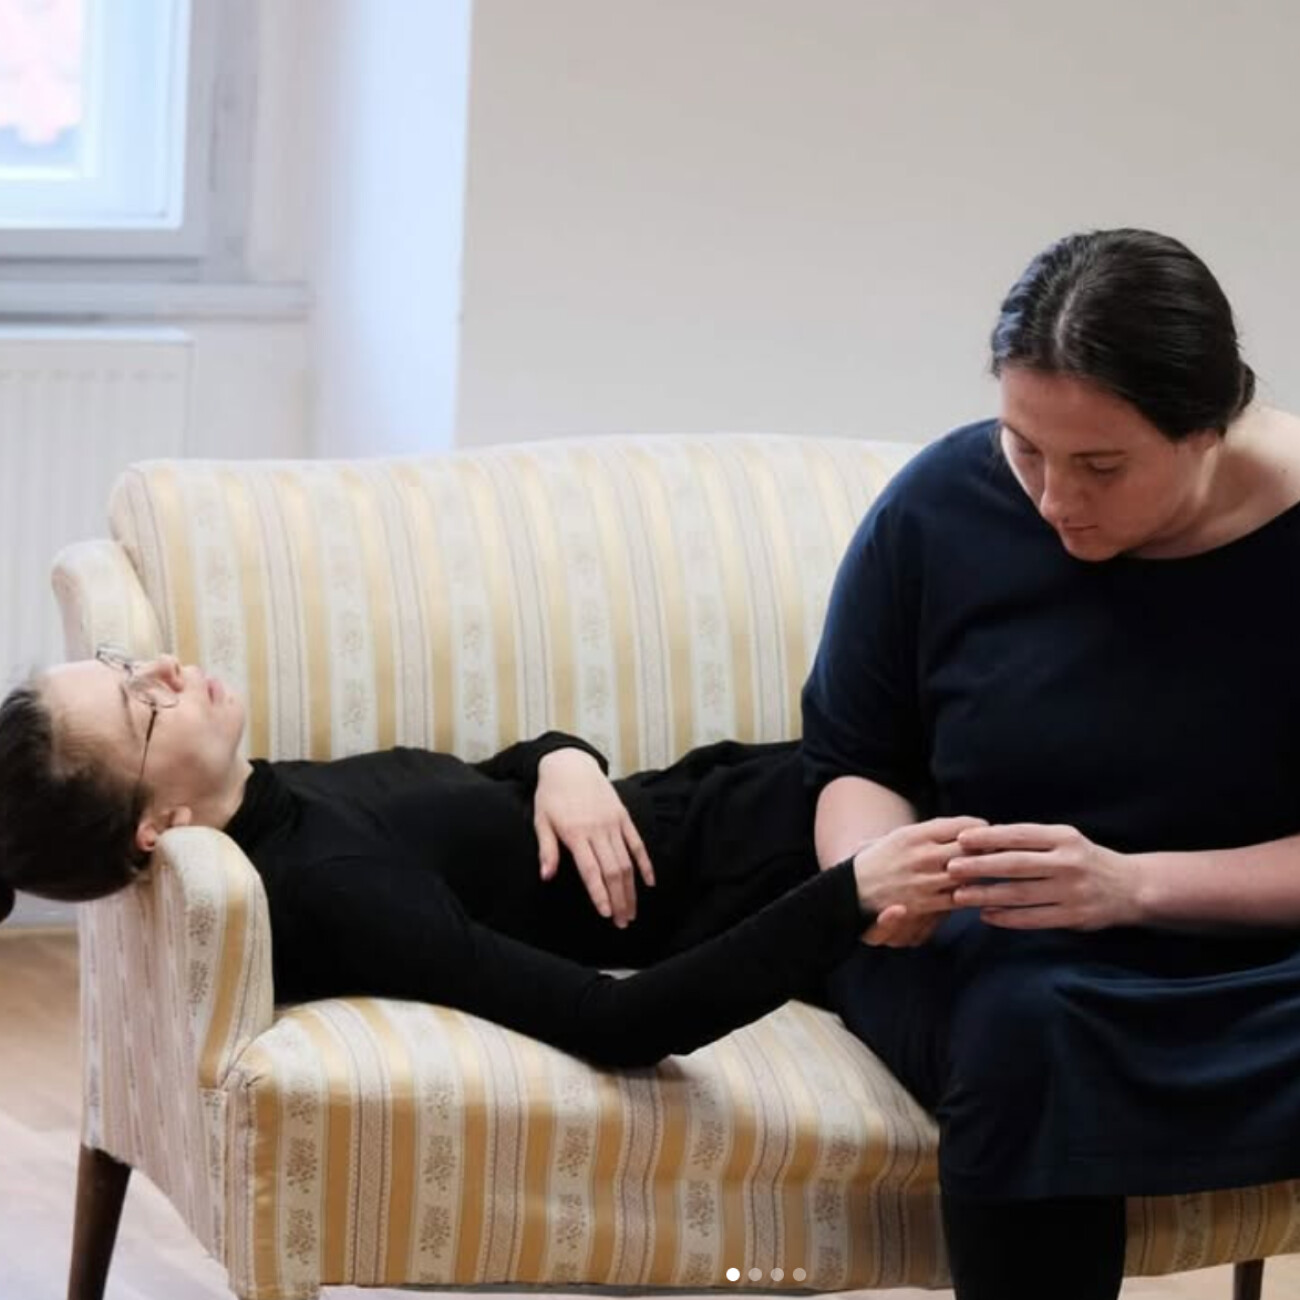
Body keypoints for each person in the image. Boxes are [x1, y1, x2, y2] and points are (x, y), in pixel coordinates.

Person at [801, 227, 1300, 1300]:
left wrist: (1131, 885)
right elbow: (852, 755)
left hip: (1251, 948)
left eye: (1099, 466)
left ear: (1208, 428)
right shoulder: (942, 501)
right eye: (1023, 447)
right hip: (1004, 939)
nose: (1052, 498)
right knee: (1024, 1024)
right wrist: (872, 877)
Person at [0, 647, 980, 1068]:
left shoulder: (268, 793)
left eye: (126, 661)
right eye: (141, 702)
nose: (167, 669)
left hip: (758, 793)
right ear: (156, 825)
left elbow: (476, 787)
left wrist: (563, 760)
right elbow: (618, 1021)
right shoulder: (331, 893)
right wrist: (849, 892)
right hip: (783, 861)